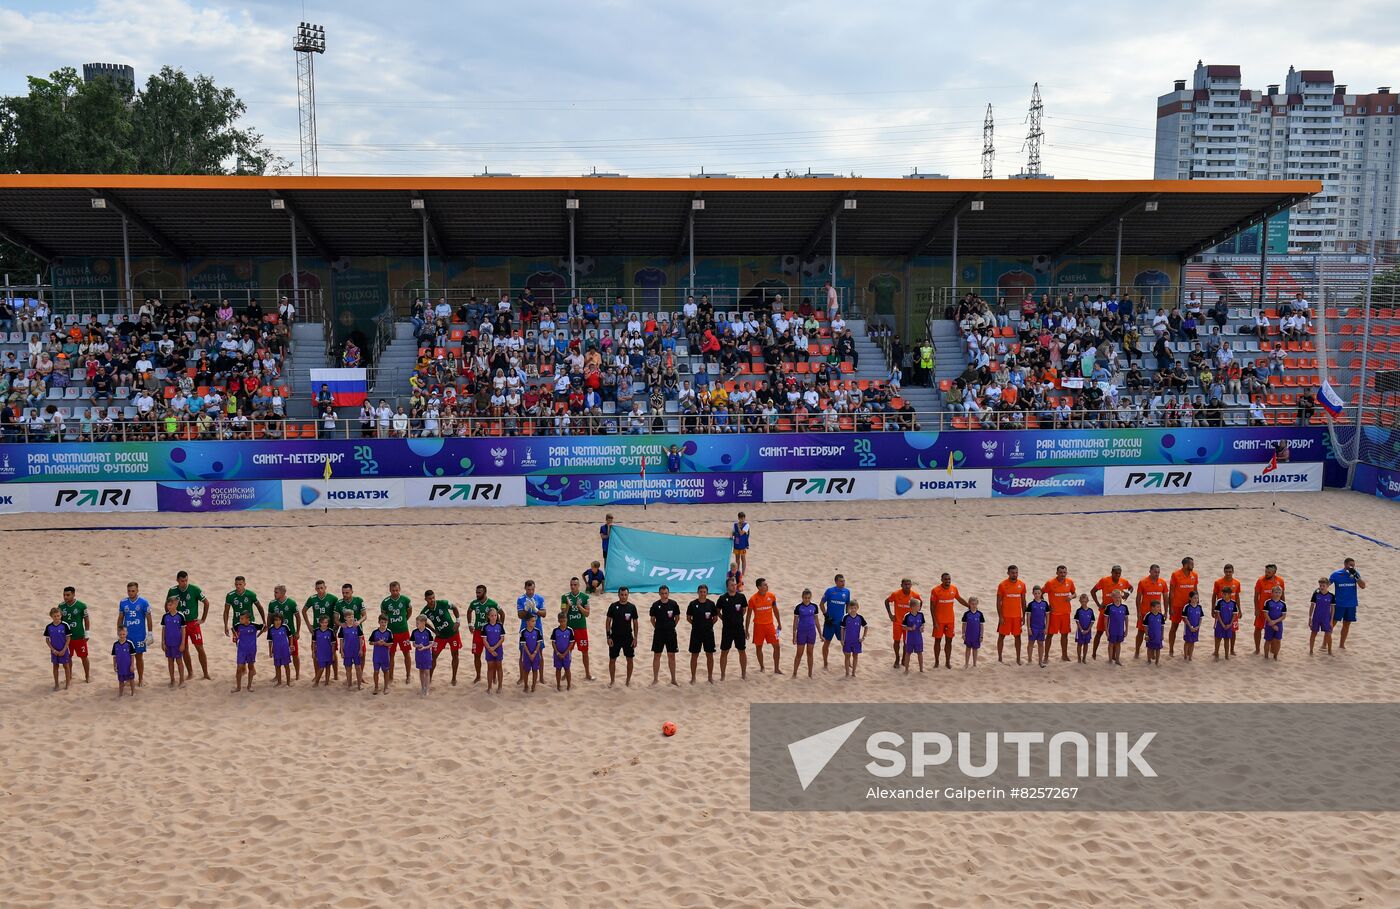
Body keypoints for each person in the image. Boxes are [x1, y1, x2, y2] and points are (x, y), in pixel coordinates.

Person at [166, 571, 211, 681]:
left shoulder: (194, 589)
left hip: (193, 623)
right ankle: (190, 673)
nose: (184, 583)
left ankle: (206, 673)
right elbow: (167, 606)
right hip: (180, 624)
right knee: (184, 649)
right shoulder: (172, 591)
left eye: (186, 580)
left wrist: (203, 619)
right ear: (177, 580)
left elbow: (206, 602)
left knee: (200, 647)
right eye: (182, 581)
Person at [1092, 565, 1136, 661]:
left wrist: (1127, 595)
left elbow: (1131, 588)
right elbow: (1093, 591)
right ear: (1111, 572)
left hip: (1117, 612)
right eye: (1116, 573)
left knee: (1115, 634)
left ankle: (1113, 657)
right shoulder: (1104, 580)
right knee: (1099, 632)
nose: (1117, 575)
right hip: (1105, 611)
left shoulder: (1123, 581)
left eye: (1119, 573)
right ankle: (1094, 653)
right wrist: (1099, 605)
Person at [302, 580, 341, 680]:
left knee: (333, 652)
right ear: (315, 589)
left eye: (321, 588)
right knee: (315, 651)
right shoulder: (312, 598)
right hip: (317, 630)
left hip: (329, 630)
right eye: (318, 588)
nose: (320, 590)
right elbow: (304, 611)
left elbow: (339, 612)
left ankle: (336, 675)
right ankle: (317, 675)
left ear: (325, 587)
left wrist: (336, 627)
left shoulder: (332, 598)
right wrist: (308, 625)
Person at [117, 581, 153, 687]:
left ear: (137, 590)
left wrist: (150, 633)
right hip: (127, 634)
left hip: (139, 635)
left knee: (139, 657)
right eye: (129, 591)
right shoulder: (123, 602)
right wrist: (118, 632)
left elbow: (149, 618)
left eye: (133, 591)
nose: (130, 593)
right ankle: (129, 678)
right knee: (127, 658)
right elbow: (120, 618)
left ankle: (141, 678)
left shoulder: (144, 602)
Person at [929, 573, 968, 670]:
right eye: (945, 579)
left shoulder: (954, 588)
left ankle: (947, 662)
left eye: (949, 579)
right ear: (941, 580)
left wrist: (969, 606)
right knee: (937, 641)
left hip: (950, 620)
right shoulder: (935, 590)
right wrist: (934, 622)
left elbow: (959, 599)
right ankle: (937, 661)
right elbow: (932, 607)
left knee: (949, 641)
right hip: (939, 621)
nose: (948, 581)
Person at [423, 590, 461, 685]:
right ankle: (429, 679)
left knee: (455, 655)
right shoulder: (425, 611)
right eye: (429, 599)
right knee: (434, 656)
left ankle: (454, 678)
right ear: (426, 599)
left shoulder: (443, 603)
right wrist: (433, 630)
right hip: (441, 636)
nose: (432, 600)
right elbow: (422, 620)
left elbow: (455, 608)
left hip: (453, 633)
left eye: (433, 597)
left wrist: (457, 621)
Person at [1130, 565, 1167, 661]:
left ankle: (1153, 653)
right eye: (1155, 572)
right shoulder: (1143, 582)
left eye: (1158, 572)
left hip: (1157, 613)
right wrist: (1138, 612)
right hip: (1145, 612)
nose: (1157, 574)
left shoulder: (1162, 582)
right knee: (1141, 632)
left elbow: (1165, 597)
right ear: (1150, 571)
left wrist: (1166, 611)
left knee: (1156, 632)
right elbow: (1138, 598)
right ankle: (1137, 651)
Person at [380, 581, 414, 686]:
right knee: (391, 655)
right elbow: (384, 617)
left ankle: (408, 675)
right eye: (393, 590)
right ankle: (391, 677)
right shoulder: (385, 602)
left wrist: (404, 620)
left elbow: (409, 611)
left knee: (406, 653)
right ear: (390, 590)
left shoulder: (405, 600)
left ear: (400, 589)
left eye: (397, 590)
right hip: (391, 633)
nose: (395, 592)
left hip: (403, 631)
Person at [560, 577, 594, 681]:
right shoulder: (565, 597)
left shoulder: (585, 597)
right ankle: (566, 673)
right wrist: (568, 606)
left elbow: (587, 614)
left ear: (579, 585)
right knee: (568, 651)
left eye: (575, 585)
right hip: (569, 629)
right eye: (571, 585)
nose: (573, 587)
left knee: (585, 651)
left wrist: (579, 606)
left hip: (581, 628)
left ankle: (587, 673)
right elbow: (563, 614)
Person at [746, 577, 782, 674]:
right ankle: (762, 667)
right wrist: (746, 630)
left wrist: (779, 623)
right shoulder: (753, 599)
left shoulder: (772, 596)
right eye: (764, 585)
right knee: (759, 647)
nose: (767, 586)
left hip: (770, 625)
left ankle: (776, 668)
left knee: (777, 646)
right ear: (759, 587)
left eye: (766, 584)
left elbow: (775, 610)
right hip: (758, 626)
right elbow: (748, 616)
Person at [1042, 565, 1077, 663]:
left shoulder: (1069, 582)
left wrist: (1071, 596)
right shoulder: (1050, 583)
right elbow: (1041, 592)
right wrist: (1046, 606)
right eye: (1060, 572)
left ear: (1066, 573)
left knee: (1064, 635)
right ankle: (1046, 656)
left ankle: (1064, 655)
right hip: (1054, 614)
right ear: (1057, 573)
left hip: (1065, 613)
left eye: (1064, 572)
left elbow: (1075, 593)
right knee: (1050, 635)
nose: (1062, 574)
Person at [883, 579, 921, 669]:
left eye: (909, 584)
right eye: (905, 584)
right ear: (901, 585)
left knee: (906, 642)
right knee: (896, 641)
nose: (907, 586)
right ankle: (897, 658)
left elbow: (920, 602)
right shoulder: (896, 594)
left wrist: (916, 614)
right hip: (897, 622)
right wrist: (890, 614)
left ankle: (904, 659)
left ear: (911, 585)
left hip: (908, 624)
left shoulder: (915, 595)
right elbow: (886, 601)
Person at [515, 580, 547, 686]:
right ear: (525, 588)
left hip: (537, 628)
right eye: (528, 589)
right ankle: (521, 677)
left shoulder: (540, 598)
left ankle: (541, 677)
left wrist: (535, 610)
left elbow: (544, 614)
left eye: (532, 589)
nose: (530, 591)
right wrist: (526, 609)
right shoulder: (520, 599)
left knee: (540, 652)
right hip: (524, 628)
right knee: (522, 653)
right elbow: (520, 615)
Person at [605, 587, 639, 688]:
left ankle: (628, 681)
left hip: (628, 637)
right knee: (612, 659)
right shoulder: (613, 606)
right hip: (615, 637)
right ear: (618, 595)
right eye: (622, 594)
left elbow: (635, 623)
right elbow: (608, 621)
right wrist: (608, 636)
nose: (623, 596)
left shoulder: (632, 607)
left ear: (628, 595)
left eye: (625, 594)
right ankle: (612, 681)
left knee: (630, 659)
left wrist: (635, 638)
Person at [265, 586, 300, 681]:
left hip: (290, 633)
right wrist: (267, 627)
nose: (274, 594)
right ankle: (277, 676)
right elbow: (269, 617)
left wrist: (297, 632)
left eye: (276, 592)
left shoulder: (291, 603)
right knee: (277, 654)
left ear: (283, 593)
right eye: (274, 592)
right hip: (277, 634)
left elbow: (298, 617)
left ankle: (297, 675)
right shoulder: (272, 604)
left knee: (295, 654)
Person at [717, 577, 749, 681]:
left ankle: (743, 673)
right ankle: (722, 675)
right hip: (727, 629)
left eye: (735, 584)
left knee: (742, 650)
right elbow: (717, 611)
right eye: (732, 585)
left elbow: (744, 610)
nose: (734, 586)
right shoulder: (722, 598)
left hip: (739, 628)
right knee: (724, 651)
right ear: (727, 587)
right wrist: (724, 619)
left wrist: (738, 618)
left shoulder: (741, 597)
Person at [649, 585, 681, 686]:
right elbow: (652, 619)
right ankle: (655, 679)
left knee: (671, 656)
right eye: (662, 593)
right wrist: (658, 627)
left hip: (671, 633)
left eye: (666, 593)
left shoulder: (673, 604)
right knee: (657, 655)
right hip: (659, 633)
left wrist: (672, 626)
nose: (664, 595)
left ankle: (673, 679)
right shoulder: (655, 605)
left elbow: (677, 617)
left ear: (668, 593)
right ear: (659, 594)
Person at [1329, 558, 1365, 649]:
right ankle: (1325, 643)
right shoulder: (1336, 574)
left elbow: (1363, 586)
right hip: (1339, 604)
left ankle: (1341, 645)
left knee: (1346, 625)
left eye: (1353, 565)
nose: (1352, 567)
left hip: (1351, 604)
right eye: (1350, 565)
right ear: (1345, 564)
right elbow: (1326, 585)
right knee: (1332, 624)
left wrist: (1356, 576)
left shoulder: (1355, 574)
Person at [686, 584, 718, 684]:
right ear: (698, 592)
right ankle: (693, 677)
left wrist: (708, 625)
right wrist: (696, 625)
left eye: (704, 592)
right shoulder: (692, 604)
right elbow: (688, 618)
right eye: (701, 592)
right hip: (696, 633)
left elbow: (715, 618)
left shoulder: (711, 604)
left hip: (708, 633)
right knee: (694, 655)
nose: (703, 593)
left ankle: (710, 677)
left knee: (709, 655)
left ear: (707, 593)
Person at [58, 586, 91, 683]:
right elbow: (58, 620)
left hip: (79, 636)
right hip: (67, 637)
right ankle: (70, 675)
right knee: (68, 657)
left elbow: (86, 619)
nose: (65, 597)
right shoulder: (61, 606)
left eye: (68, 595)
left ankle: (87, 675)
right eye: (64, 595)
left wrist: (87, 632)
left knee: (84, 656)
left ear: (73, 594)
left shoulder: (81, 605)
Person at [995, 565, 1027, 665]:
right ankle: (1000, 657)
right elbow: (998, 602)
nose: (1015, 574)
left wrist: (1024, 616)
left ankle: (1018, 658)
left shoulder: (1022, 584)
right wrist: (1000, 616)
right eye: (1013, 573)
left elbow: (1023, 601)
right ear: (1008, 573)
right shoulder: (1002, 585)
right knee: (1001, 636)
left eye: (1016, 572)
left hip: (1017, 616)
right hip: (1005, 616)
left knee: (1018, 637)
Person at [819, 574, 851, 670]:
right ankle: (825, 663)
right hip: (830, 622)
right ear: (836, 582)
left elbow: (848, 605)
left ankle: (848, 662)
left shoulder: (847, 592)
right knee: (827, 642)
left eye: (844, 581)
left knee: (845, 643)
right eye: (841, 581)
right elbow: (821, 604)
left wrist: (847, 618)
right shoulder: (830, 591)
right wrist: (826, 616)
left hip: (840, 623)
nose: (843, 583)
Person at [1168, 557, 1199, 657]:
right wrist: (1170, 607)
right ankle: (1171, 650)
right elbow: (1171, 592)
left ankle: (1188, 652)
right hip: (1177, 606)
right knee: (1174, 627)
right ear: (1185, 565)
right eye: (1191, 564)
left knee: (1191, 627)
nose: (1193, 566)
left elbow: (1195, 590)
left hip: (1190, 607)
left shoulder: (1194, 575)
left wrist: (1197, 604)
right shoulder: (1176, 575)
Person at [222, 576, 265, 646]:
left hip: (250, 622)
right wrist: (225, 625)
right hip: (236, 623)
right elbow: (226, 611)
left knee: (250, 644)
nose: (238, 586)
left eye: (240, 584)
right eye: (236, 584)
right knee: (239, 645)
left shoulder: (251, 594)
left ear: (244, 584)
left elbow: (260, 607)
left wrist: (264, 621)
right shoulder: (230, 595)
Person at [467, 585, 498, 684]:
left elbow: (502, 613)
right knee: (476, 655)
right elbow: (469, 611)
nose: (477, 594)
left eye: (479, 592)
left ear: (485, 592)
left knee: (493, 655)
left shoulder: (492, 603)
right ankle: (478, 676)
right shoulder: (474, 603)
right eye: (476, 592)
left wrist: (499, 626)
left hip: (489, 633)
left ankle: (494, 677)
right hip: (477, 632)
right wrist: (470, 624)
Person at [1253, 564, 1285, 656]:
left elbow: (1282, 595)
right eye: (1266, 572)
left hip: (1275, 611)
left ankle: (1272, 649)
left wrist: (1283, 608)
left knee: (1274, 629)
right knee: (1258, 628)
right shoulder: (1260, 581)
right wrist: (1256, 609)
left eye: (1269, 572)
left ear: (1274, 572)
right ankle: (1257, 649)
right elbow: (1256, 596)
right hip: (1262, 610)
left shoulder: (1280, 581)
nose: (1266, 574)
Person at [789, 589, 820, 679]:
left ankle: (810, 673)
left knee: (810, 653)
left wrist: (820, 634)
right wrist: (794, 635)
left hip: (811, 632)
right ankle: (795, 673)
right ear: (802, 598)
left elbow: (817, 621)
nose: (807, 600)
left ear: (810, 598)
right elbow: (795, 623)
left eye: (808, 598)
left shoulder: (814, 606)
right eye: (805, 598)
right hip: (801, 632)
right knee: (799, 654)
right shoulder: (798, 607)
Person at [159, 599, 188, 688]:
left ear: (175, 605)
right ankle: (172, 680)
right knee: (170, 661)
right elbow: (163, 629)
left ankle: (182, 680)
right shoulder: (165, 616)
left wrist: (183, 643)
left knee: (179, 661)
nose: (169, 607)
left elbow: (183, 630)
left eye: (170, 605)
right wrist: (163, 642)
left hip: (177, 643)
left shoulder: (180, 616)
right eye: (168, 605)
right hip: (168, 642)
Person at [1212, 564, 1243, 647]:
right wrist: (1213, 609)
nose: (1228, 573)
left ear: (1233, 571)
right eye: (1226, 572)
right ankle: (1216, 651)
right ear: (1224, 572)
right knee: (1218, 631)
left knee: (1233, 630)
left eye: (1230, 572)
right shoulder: (1218, 582)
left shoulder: (1237, 583)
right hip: (1220, 610)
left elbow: (1237, 596)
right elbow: (1214, 595)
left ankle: (1232, 649)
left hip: (1232, 610)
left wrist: (1239, 610)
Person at [231, 611, 261, 693]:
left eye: (242, 618)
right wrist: (236, 636)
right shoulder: (238, 626)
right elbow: (232, 628)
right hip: (241, 650)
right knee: (239, 668)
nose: (240, 620)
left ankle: (249, 686)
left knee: (251, 667)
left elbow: (265, 627)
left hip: (252, 649)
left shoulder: (254, 626)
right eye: (240, 618)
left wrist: (259, 634)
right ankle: (238, 687)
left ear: (247, 619)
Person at [44, 607, 72, 691]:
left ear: (61, 615)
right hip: (54, 651)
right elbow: (47, 640)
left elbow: (68, 638)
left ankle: (67, 684)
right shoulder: (49, 627)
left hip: (64, 650)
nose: (57, 618)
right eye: (55, 616)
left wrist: (64, 650)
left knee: (66, 666)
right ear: (51, 617)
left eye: (58, 616)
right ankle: (56, 684)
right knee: (55, 667)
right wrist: (53, 650)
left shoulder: (65, 625)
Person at [1308, 576, 1335, 656]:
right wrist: (1310, 618)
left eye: (1323, 586)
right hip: (1316, 617)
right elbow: (1312, 606)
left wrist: (1331, 621)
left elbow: (1333, 609)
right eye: (1320, 585)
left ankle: (1330, 651)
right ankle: (1311, 651)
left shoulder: (1331, 596)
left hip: (1326, 618)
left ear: (1327, 586)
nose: (1322, 587)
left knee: (1328, 635)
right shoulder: (1315, 595)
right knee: (1313, 634)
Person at [339, 609, 364, 690]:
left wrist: (361, 649)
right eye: (349, 617)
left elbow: (361, 639)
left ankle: (359, 685)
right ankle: (349, 685)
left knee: (358, 667)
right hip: (347, 651)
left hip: (356, 650)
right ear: (345, 618)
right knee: (348, 668)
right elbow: (341, 640)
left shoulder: (357, 626)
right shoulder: (343, 627)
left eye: (352, 617)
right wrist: (341, 651)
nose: (351, 618)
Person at [368, 616, 394, 695]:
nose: (383, 624)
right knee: (376, 672)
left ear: (387, 623)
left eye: (385, 622)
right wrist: (377, 643)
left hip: (385, 656)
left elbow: (391, 644)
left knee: (386, 671)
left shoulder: (389, 632)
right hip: (376, 656)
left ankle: (386, 687)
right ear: (379, 622)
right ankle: (376, 687)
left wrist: (384, 644)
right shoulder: (375, 632)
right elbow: (370, 642)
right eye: (382, 622)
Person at [841, 601, 867, 677]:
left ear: (857, 608)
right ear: (849, 608)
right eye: (851, 608)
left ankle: (853, 673)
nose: (853, 610)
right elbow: (842, 629)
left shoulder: (860, 617)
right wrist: (842, 639)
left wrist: (863, 637)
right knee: (847, 656)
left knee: (855, 656)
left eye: (855, 608)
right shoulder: (846, 617)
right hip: (847, 641)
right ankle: (847, 673)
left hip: (856, 641)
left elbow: (866, 627)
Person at [1026, 586, 1050, 668]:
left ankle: (1040, 661)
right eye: (1035, 593)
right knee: (1031, 643)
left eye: (1039, 593)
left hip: (1041, 628)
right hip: (1033, 627)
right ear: (1033, 593)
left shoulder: (1045, 604)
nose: (1037, 595)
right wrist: (1029, 628)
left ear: (1041, 594)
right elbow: (1028, 617)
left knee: (1040, 643)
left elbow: (1047, 617)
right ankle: (1029, 660)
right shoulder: (1031, 604)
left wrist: (1046, 628)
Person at [1104, 590, 1129, 666]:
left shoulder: (1124, 607)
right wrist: (1106, 630)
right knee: (1111, 644)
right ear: (1112, 597)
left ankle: (1117, 660)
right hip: (1112, 629)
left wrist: (1126, 629)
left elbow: (1126, 619)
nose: (1118, 599)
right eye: (1116, 597)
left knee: (1118, 644)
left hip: (1120, 629)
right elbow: (1106, 619)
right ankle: (1110, 659)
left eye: (1119, 597)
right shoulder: (1109, 607)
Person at [412, 615, 436, 696]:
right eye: (416, 622)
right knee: (421, 671)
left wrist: (424, 647)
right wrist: (417, 645)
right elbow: (413, 644)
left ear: (423, 622)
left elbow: (431, 644)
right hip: (418, 653)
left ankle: (427, 689)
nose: (416, 624)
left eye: (418, 622)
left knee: (427, 671)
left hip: (426, 653)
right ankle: (423, 687)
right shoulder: (414, 632)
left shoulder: (428, 632)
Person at [267, 613, 293, 687]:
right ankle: (279, 682)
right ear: (273, 621)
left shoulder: (285, 627)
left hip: (285, 650)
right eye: (276, 620)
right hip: (276, 650)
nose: (278, 622)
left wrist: (291, 645)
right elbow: (270, 641)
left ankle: (288, 683)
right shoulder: (271, 629)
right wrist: (270, 651)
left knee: (286, 666)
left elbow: (290, 636)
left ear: (282, 620)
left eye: (279, 620)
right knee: (277, 666)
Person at [552, 613, 576, 691]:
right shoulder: (555, 630)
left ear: (567, 620)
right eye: (561, 621)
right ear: (558, 621)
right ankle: (558, 685)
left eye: (564, 621)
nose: (563, 623)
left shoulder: (569, 630)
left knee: (567, 669)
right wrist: (557, 653)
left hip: (566, 653)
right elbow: (553, 642)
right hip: (557, 654)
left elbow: (571, 642)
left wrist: (565, 653)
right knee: (558, 669)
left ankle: (569, 685)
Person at [902, 598, 926, 673]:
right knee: (908, 653)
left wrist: (922, 627)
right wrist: (910, 628)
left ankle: (921, 669)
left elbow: (923, 623)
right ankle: (906, 669)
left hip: (918, 637)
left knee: (920, 653)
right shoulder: (907, 616)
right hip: (910, 638)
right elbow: (903, 626)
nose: (919, 607)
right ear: (913, 607)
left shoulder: (921, 614)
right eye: (918, 606)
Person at [1262, 585, 1286, 661]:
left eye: (1279, 592)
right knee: (1268, 640)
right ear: (1272, 593)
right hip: (1269, 623)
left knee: (1278, 640)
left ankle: (1275, 656)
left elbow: (1284, 616)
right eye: (1276, 592)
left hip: (1278, 624)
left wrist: (1275, 622)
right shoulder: (1268, 602)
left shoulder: (1283, 604)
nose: (1277, 594)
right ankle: (1266, 656)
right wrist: (1271, 623)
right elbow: (1265, 614)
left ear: (1281, 594)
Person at [1212, 589, 1237, 661]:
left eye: (1224, 594)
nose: (1223, 596)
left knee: (1227, 640)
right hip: (1220, 624)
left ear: (1229, 595)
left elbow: (1234, 615)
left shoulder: (1233, 603)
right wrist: (1222, 624)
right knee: (1218, 639)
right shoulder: (1219, 602)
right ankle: (1216, 654)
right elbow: (1217, 614)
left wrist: (1230, 624)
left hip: (1228, 624)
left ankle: (1226, 656)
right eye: (1222, 594)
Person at [112, 625, 137, 697]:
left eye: (123, 634)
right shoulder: (115, 644)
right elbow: (114, 657)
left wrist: (132, 665)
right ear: (117, 633)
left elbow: (132, 655)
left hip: (128, 666)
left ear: (126, 633)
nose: (122, 636)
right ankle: (120, 693)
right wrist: (114, 665)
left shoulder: (129, 643)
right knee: (121, 681)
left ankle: (133, 692)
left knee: (131, 679)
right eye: (120, 634)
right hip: (120, 666)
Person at [312, 615, 336, 687]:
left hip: (328, 652)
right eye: (323, 622)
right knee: (321, 668)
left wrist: (333, 654)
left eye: (326, 622)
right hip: (320, 652)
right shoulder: (316, 631)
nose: (324, 624)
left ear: (328, 623)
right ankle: (317, 682)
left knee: (328, 667)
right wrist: (313, 652)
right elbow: (314, 642)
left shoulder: (330, 631)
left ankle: (327, 682)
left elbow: (333, 644)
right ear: (320, 623)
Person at [1181, 591, 1205, 662]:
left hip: (1196, 628)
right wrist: (1190, 627)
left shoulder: (1199, 607)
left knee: (1193, 642)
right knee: (1187, 641)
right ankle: (1185, 655)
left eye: (1197, 598)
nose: (1196, 600)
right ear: (1190, 598)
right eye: (1194, 598)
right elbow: (1185, 618)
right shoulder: (1187, 607)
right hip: (1188, 628)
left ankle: (1190, 656)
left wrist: (1198, 626)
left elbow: (1200, 618)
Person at [962, 597, 985, 669]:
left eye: (975, 604)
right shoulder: (966, 614)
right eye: (972, 604)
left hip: (976, 635)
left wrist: (981, 636)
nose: (974, 605)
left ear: (977, 604)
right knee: (968, 648)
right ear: (969, 604)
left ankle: (974, 664)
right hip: (968, 635)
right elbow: (964, 625)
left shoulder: (980, 614)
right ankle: (966, 663)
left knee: (975, 649)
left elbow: (981, 626)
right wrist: (963, 634)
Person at [1073, 595, 1095, 664]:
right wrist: (1081, 630)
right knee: (1079, 644)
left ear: (1087, 601)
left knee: (1086, 644)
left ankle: (1084, 658)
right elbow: (1077, 621)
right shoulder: (1078, 611)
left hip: (1088, 631)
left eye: (1085, 601)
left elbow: (1092, 621)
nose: (1084, 603)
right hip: (1080, 631)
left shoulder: (1090, 611)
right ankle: (1079, 658)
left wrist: (1088, 630)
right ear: (1080, 601)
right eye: (1082, 601)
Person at [1143, 600, 1165, 667]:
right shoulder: (1148, 615)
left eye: (1159, 607)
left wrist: (1162, 635)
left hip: (1158, 636)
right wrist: (1146, 635)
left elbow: (1162, 626)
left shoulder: (1161, 615)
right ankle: (1149, 660)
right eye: (1157, 607)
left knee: (1158, 649)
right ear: (1152, 607)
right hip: (1150, 635)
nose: (1159, 608)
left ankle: (1157, 661)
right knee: (1150, 648)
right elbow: (1145, 626)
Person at [730, 512, 751, 578]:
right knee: (737, 559)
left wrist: (738, 527)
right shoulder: (735, 524)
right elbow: (732, 532)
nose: (742, 520)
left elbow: (741, 533)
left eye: (743, 518)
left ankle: (743, 573)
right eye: (741, 518)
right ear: (738, 518)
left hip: (743, 544)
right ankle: (737, 571)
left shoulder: (746, 525)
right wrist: (731, 535)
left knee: (743, 558)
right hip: (736, 543)